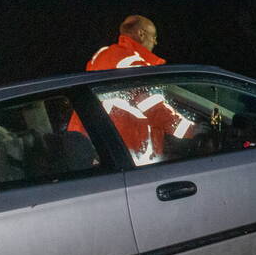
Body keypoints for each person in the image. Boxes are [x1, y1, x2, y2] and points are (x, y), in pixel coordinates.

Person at [70, 15, 194, 164]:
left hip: (94, 146)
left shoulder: (105, 55)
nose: (155, 42)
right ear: (141, 34)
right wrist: (193, 131)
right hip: (123, 151)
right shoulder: (131, 62)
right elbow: (153, 107)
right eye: (153, 36)